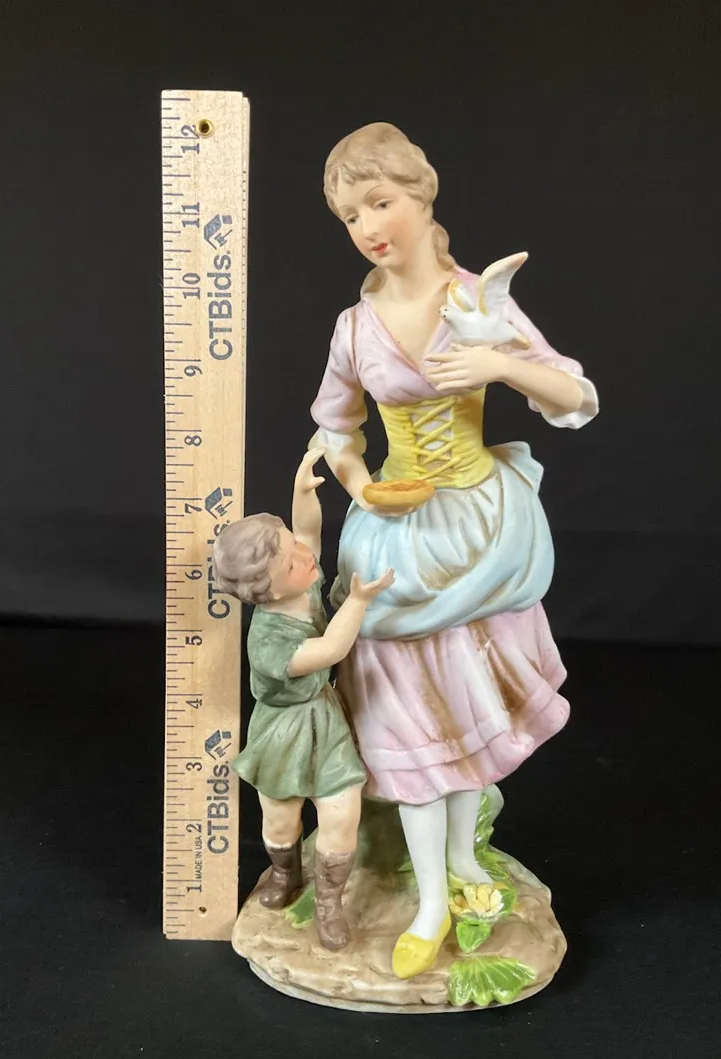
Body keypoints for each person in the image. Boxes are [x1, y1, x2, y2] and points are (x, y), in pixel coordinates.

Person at [309, 122, 599, 978]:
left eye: (380, 202)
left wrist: (500, 367)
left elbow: (574, 397)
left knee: (466, 704)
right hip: (399, 539)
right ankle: (431, 899)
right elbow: (337, 432)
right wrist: (363, 489)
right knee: (406, 721)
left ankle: (465, 860)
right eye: (350, 215)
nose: (367, 226)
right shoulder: (354, 328)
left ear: (420, 195)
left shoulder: (478, 302)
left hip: (479, 528)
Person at [212, 447, 393, 950]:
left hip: (323, 723)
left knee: (341, 813)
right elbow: (331, 648)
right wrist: (358, 601)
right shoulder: (269, 642)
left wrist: (301, 492)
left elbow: (308, 534)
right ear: (267, 592)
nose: (306, 556)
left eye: (294, 548)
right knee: (281, 815)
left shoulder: (300, 589)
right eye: (291, 562)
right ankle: (284, 873)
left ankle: (329, 902)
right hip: (283, 731)